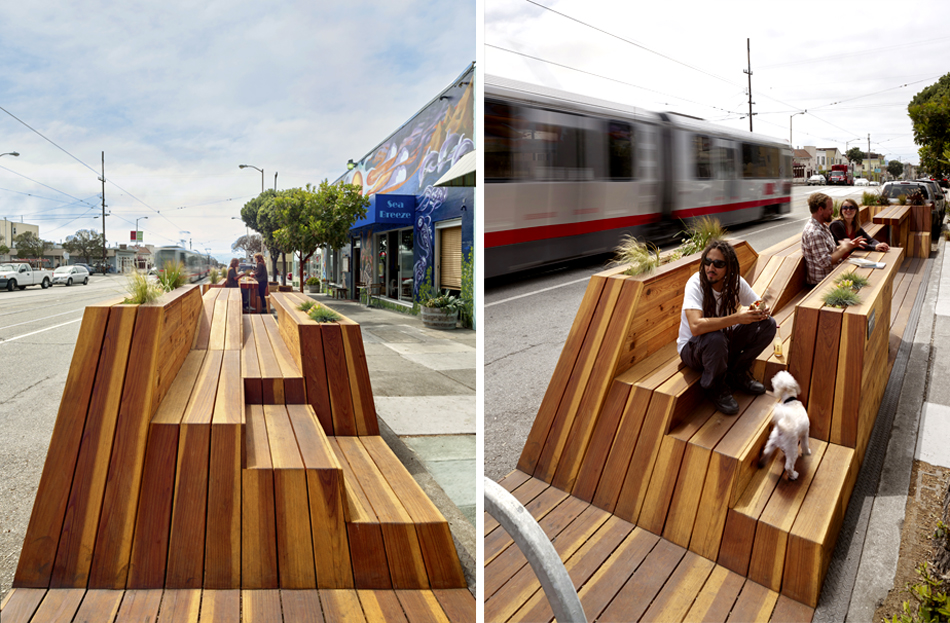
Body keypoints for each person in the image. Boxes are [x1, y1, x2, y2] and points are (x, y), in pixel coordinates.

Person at [677, 240, 777, 415]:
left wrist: (762, 309)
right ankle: (715, 387)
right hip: (693, 348)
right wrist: (737, 318)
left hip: (721, 342)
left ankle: (737, 372)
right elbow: (696, 327)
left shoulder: (734, 282)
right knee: (715, 338)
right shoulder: (695, 283)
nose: (711, 267)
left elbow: (756, 301)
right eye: (707, 262)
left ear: (729, 267)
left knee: (767, 324)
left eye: (718, 264)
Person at [802, 192, 864, 286]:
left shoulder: (822, 226)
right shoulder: (815, 232)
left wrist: (849, 245)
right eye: (830, 209)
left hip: (833, 274)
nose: (832, 212)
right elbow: (826, 262)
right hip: (822, 283)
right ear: (820, 210)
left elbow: (830, 252)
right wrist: (844, 249)